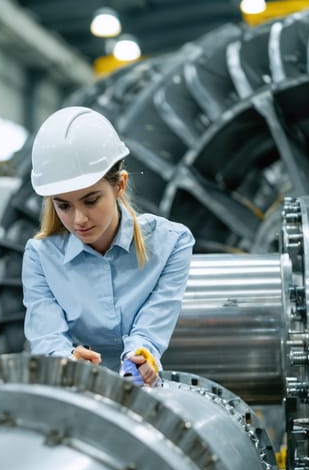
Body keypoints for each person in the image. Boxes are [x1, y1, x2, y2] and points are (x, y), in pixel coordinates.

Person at [21, 106, 194, 386]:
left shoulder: (171, 243)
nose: (79, 219)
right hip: (74, 390)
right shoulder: (40, 257)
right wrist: (66, 360)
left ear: (119, 185)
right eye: (63, 205)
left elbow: (154, 322)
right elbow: (47, 334)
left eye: (91, 201)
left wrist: (141, 355)